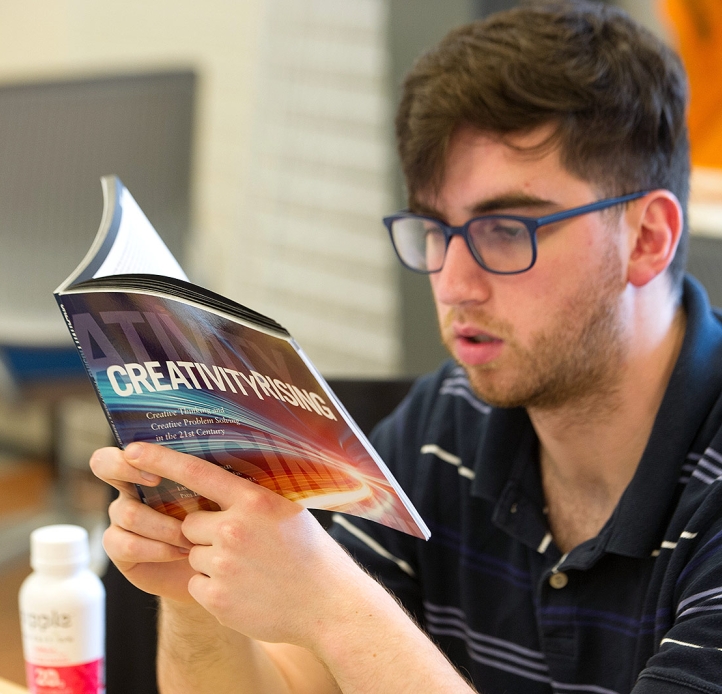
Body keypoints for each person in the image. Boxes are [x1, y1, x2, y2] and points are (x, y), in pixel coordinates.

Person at [89, 2, 722, 692]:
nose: (453, 284)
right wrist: (196, 590)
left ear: (648, 238)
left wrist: (335, 606)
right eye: (434, 230)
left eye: (506, 229)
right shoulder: (447, 423)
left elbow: (340, 618)